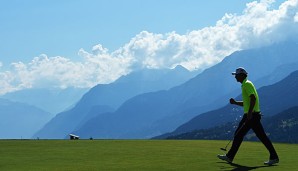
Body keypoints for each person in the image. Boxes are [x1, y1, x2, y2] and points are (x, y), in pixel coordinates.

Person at [217, 67, 279, 165]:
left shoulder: (247, 84)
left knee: (238, 135)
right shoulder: (245, 84)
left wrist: (249, 113)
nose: (235, 77)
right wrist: (235, 102)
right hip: (252, 115)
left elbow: (253, 99)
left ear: (242, 75)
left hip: (251, 116)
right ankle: (274, 156)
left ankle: (229, 156)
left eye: (236, 75)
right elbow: (248, 102)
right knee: (261, 137)